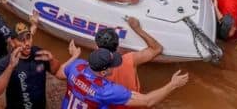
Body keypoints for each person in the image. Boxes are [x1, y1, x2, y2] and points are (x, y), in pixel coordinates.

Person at [57, 44, 189, 108]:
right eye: (112, 65)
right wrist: (172, 85)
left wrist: (74, 56)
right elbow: (148, 101)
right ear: (103, 72)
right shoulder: (108, 90)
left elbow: (59, 73)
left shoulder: (76, 66)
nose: (115, 66)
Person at [0, 22, 60, 109]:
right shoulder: (5, 63)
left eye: (28, 37)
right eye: (21, 40)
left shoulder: (39, 53)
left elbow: (55, 70)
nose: (27, 43)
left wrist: (52, 60)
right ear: (12, 42)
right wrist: (11, 67)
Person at [95, 16, 163, 94]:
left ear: (96, 46)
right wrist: (137, 29)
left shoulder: (91, 66)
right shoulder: (129, 60)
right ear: (117, 46)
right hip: (132, 100)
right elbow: (157, 49)